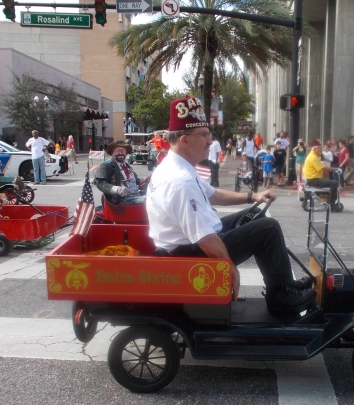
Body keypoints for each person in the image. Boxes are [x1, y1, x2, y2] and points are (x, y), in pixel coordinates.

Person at [146, 96, 316, 314]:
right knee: (268, 228)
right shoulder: (180, 180)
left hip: (188, 245)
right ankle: (281, 295)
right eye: (204, 135)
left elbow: (213, 194)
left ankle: (282, 285)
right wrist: (229, 268)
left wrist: (251, 197)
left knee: (256, 217)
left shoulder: (179, 167)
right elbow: (205, 239)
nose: (209, 141)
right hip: (189, 255)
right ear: (184, 140)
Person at [93, 140, 145, 205]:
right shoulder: (107, 165)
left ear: (126, 153)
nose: (121, 152)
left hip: (136, 195)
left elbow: (135, 181)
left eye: (123, 150)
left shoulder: (126, 166)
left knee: (156, 196)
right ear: (112, 153)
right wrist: (117, 189)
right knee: (149, 201)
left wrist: (146, 180)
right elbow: (100, 183)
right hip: (121, 199)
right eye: (117, 150)